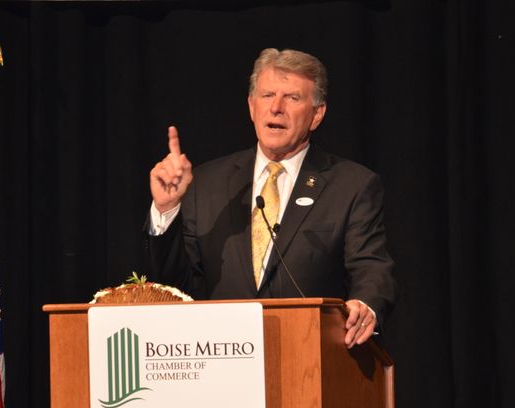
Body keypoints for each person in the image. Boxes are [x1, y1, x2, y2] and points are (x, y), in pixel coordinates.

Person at [144, 48, 396, 348]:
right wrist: (166, 208)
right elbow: (174, 285)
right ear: (251, 107)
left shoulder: (352, 185)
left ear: (317, 115)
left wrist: (365, 305)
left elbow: (371, 266)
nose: (276, 108)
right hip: (221, 358)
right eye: (267, 96)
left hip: (310, 358)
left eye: (292, 98)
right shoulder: (207, 183)